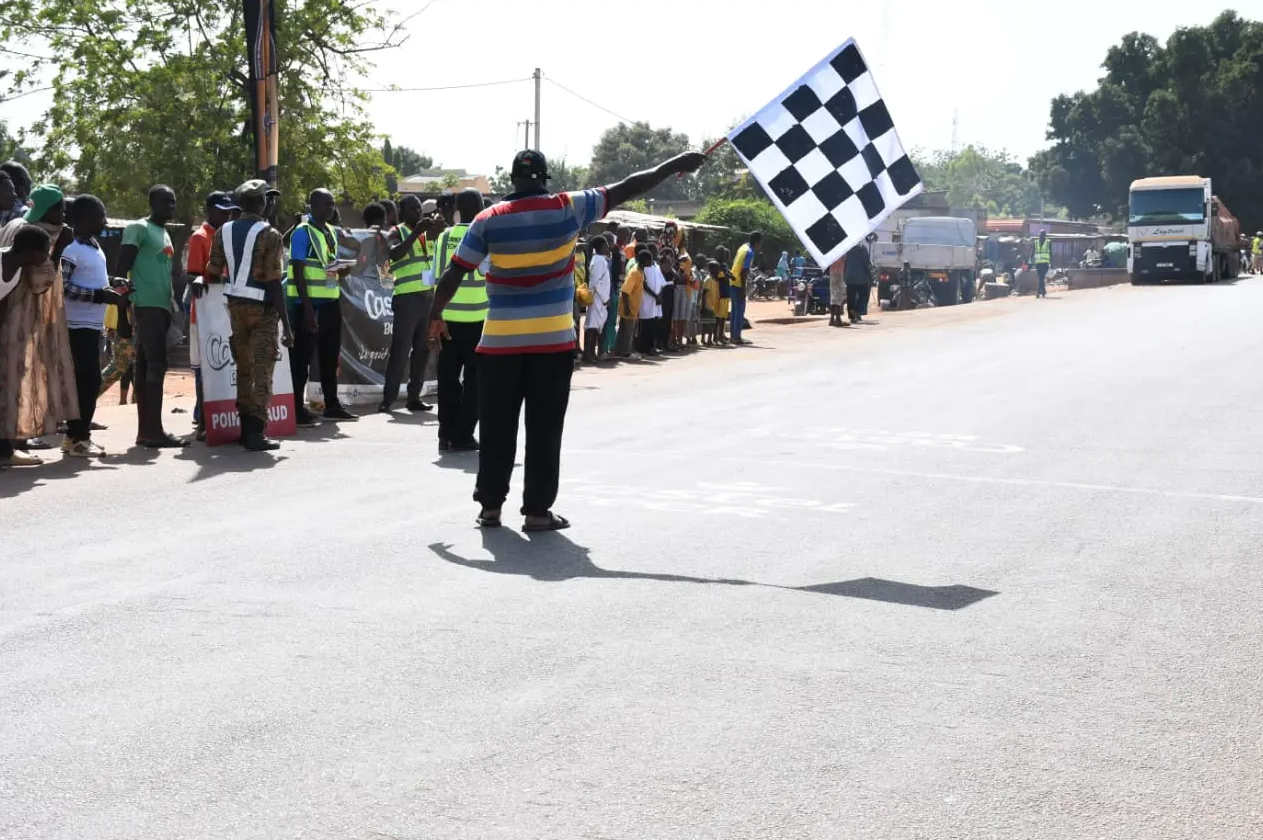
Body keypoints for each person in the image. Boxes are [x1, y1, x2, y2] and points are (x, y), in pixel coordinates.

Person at [427, 148, 706, 530]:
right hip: (552, 344)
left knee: (496, 428)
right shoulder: (568, 207)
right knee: (544, 429)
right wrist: (674, 164)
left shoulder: (488, 219)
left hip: (499, 345)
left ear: (512, 180)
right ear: (545, 179)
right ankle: (537, 512)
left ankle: (490, 507)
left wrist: (435, 317)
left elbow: (454, 273)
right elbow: (630, 185)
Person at [202, 179, 293, 452]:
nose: (271, 203)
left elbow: (213, 271)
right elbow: (274, 282)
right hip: (262, 310)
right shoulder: (270, 234)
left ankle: (245, 431)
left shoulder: (224, 231)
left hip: (235, 308)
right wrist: (286, 325)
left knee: (243, 369)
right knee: (262, 371)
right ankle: (256, 433)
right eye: (268, 198)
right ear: (259, 203)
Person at [0, 219, 79, 467]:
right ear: (31, 252)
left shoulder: (19, 270)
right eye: (45, 251)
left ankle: (4, 452)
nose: (47, 257)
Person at [60, 195, 131, 457]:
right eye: (101, 217)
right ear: (87, 219)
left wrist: (114, 282)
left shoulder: (93, 247)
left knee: (89, 381)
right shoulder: (71, 249)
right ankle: (78, 438)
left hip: (92, 325)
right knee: (87, 381)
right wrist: (101, 295)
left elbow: (93, 278)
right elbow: (64, 287)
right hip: (76, 326)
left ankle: (75, 437)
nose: (104, 221)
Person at [117, 184, 187, 448]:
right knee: (155, 364)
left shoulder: (164, 233)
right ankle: (153, 431)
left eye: (173, 201)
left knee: (148, 366)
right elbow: (121, 271)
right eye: (165, 201)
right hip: (145, 306)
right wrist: (122, 314)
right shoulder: (139, 228)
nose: (171, 206)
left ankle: (146, 432)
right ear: (152, 203)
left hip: (162, 306)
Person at [287, 187, 355, 424]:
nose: (330, 208)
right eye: (326, 203)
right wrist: (307, 310)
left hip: (330, 303)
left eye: (332, 204)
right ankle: (296, 408)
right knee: (302, 359)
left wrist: (341, 270)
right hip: (309, 306)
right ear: (313, 205)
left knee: (330, 357)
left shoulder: (330, 232)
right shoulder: (302, 232)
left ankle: (332, 405)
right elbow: (297, 270)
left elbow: (326, 267)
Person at [430, 188, 489, 452]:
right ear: (480, 208)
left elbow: (436, 279)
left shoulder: (444, 237)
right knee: (476, 382)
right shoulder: (485, 236)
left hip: (448, 320)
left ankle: (445, 434)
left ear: (456, 209)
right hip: (479, 320)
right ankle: (463, 434)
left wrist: (436, 316)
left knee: (447, 380)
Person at [380, 194, 442, 413]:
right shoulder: (396, 231)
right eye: (413, 209)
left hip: (427, 298)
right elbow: (394, 254)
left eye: (419, 209)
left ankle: (414, 397)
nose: (418, 212)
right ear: (402, 212)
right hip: (407, 299)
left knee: (422, 350)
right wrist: (416, 233)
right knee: (400, 349)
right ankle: (388, 399)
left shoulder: (427, 234)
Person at [186, 190, 239, 441]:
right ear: (209, 210)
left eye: (229, 211)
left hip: (227, 312)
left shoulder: (228, 235)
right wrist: (198, 279)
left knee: (226, 366)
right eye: (221, 211)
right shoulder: (200, 237)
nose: (226, 215)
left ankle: (216, 415)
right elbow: (193, 274)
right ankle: (204, 421)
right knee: (204, 367)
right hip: (204, 315)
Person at [583, 236, 611, 364]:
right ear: (600, 247)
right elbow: (596, 282)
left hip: (600, 298)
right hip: (597, 298)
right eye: (606, 245)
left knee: (596, 326)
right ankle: (587, 354)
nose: (608, 248)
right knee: (591, 326)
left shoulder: (600, 260)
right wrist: (605, 298)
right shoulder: (599, 261)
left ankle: (592, 353)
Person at [616, 250, 649, 359]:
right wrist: (627, 307)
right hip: (628, 307)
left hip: (633, 307)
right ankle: (626, 352)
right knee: (628, 331)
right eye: (649, 260)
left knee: (625, 330)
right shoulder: (635, 272)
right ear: (645, 261)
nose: (651, 261)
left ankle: (620, 351)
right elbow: (625, 291)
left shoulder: (640, 271)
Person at [729, 231, 760, 344]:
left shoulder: (743, 247)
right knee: (739, 311)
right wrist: (743, 289)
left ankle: (733, 336)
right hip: (738, 283)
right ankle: (737, 337)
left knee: (734, 311)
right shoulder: (750, 252)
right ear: (757, 242)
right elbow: (744, 272)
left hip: (732, 281)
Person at [845, 242, 873, 323]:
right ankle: (856, 310)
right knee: (864, 296)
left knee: (850, 298)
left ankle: (852, 317)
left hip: (849, 277)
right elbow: (866, 264)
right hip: (861, 277)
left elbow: (845, 263)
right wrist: (869, 275)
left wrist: (845, 275)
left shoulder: (847, 249)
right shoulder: (862, 249)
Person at [701, 260, 721, 345]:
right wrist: (703, 306)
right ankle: (707, 339)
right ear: (712, 269)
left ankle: (705, 339)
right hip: (707, 305)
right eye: (717, 268)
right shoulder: (708, 279)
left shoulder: (714, 279)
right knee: (708, 323)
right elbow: (704, 293)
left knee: (708, 322)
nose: (718, 270)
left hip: (712, 305)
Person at [828, 257, 847, 327]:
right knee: (838, 297)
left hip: (832, 273)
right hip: (838, 273)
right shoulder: (840, 253)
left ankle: (832, 319)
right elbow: (843, 262)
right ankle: (838, 320)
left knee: (833, 298)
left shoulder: (832, 253)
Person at [1033, 230, 1052, 298]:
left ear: (1045, 236)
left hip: (1045, 263)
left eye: (1042, 235)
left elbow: (1051, 252)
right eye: (1040, 235)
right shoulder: (1035, 242)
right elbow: (1033, 251)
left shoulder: (1048, 242)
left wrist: (1051, 262)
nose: (1041, 236)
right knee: (1041, 277)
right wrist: (1030, 260)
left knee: (1041, 277)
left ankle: (1038, 292)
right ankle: (1043, 291)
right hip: (1038, 263)